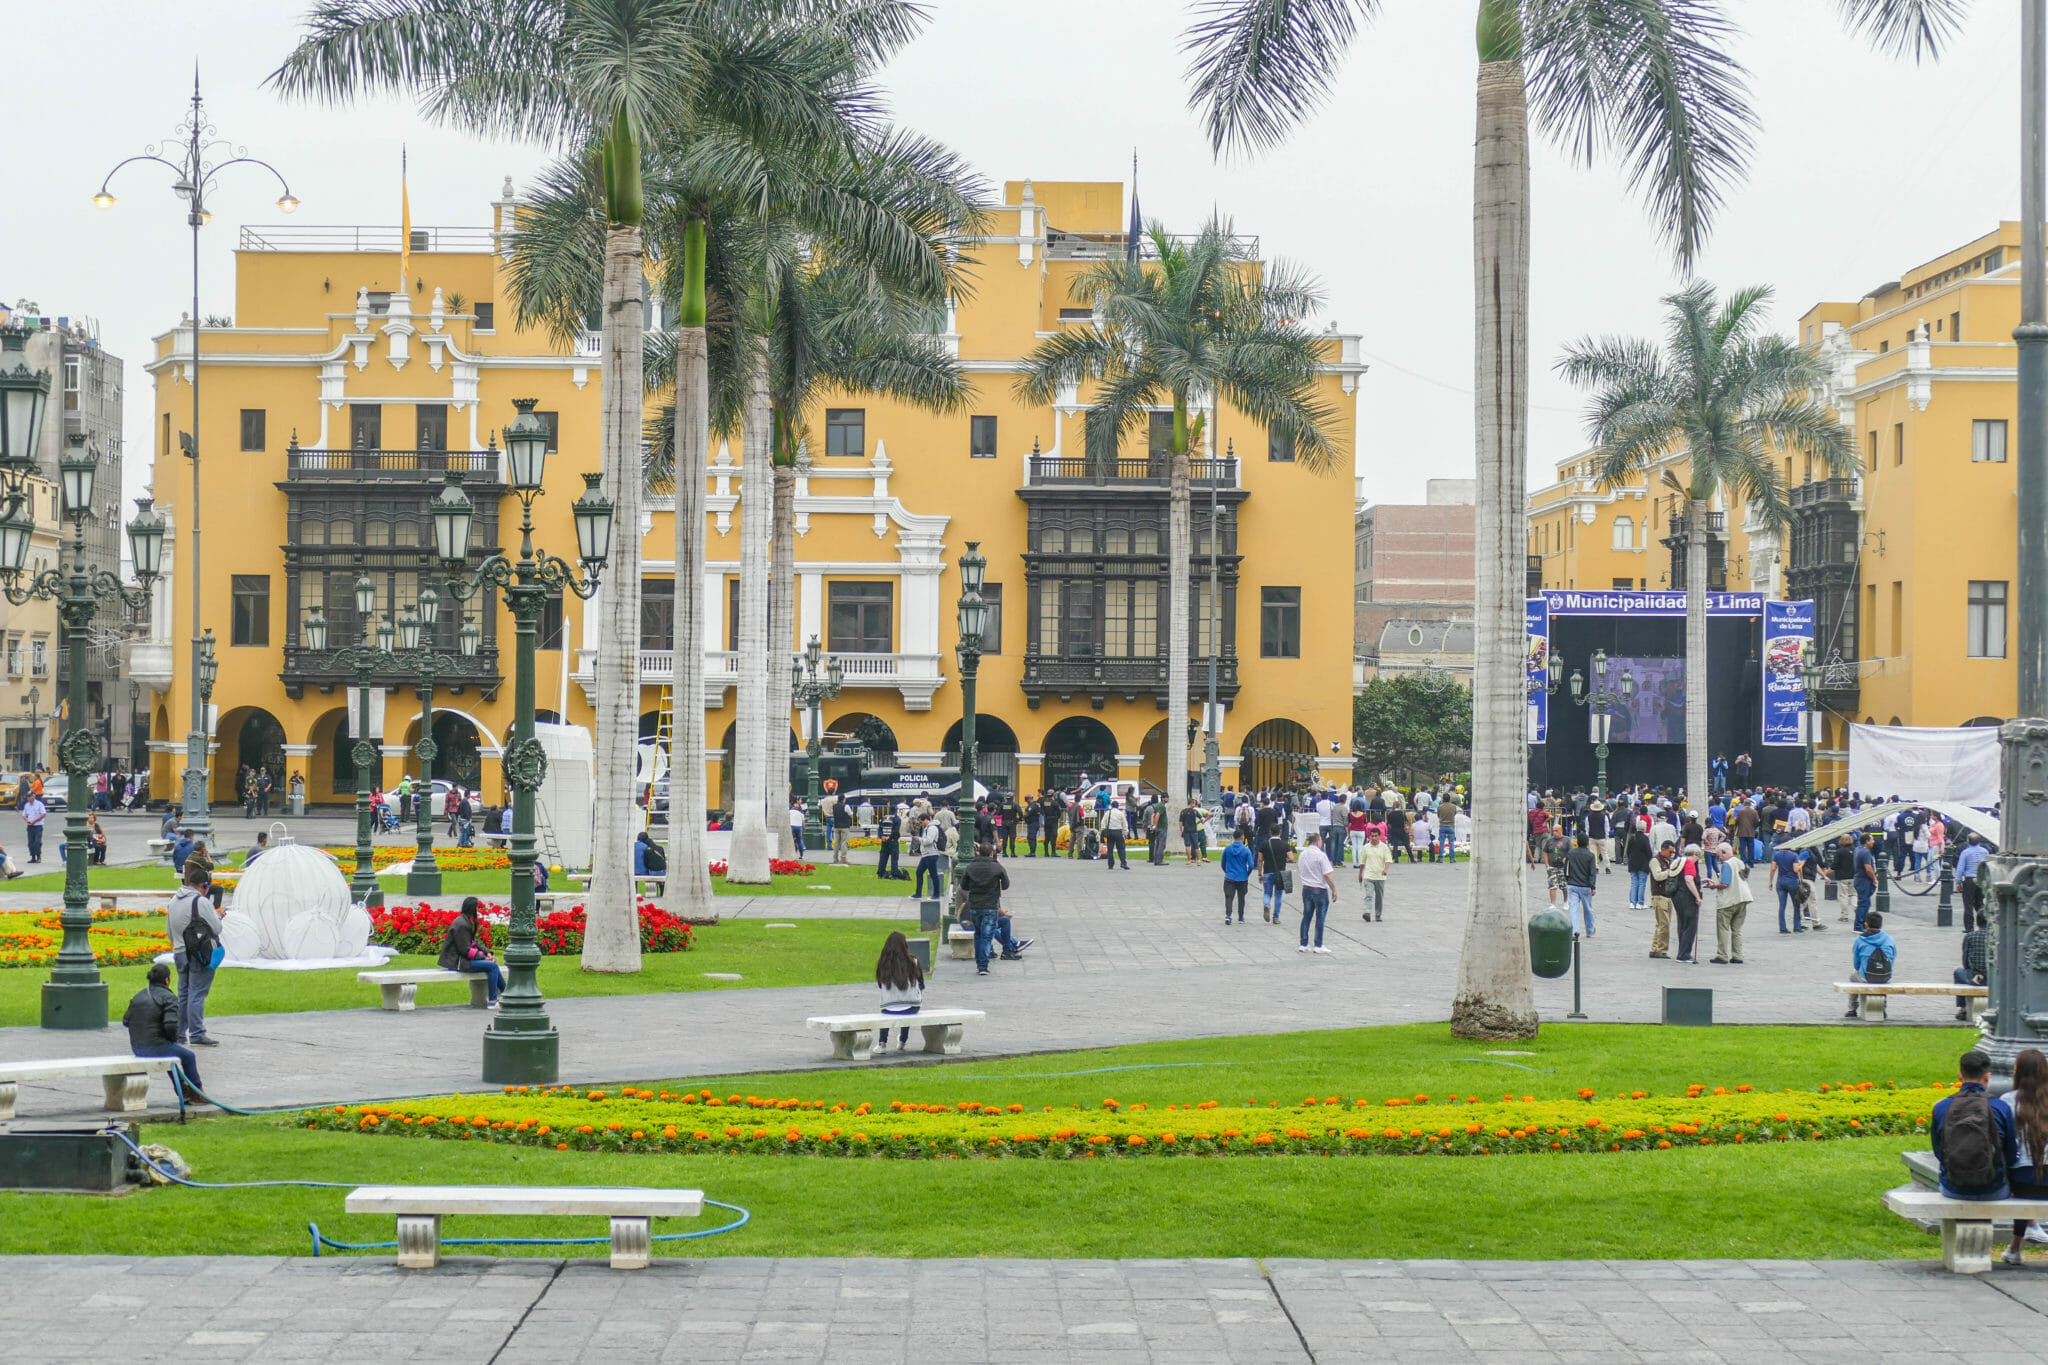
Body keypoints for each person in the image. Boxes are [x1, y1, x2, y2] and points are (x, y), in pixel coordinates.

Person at [1932, 1049, 2018, 1201]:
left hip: (1953, 1188)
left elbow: (1939, 1151)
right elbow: (2010, 1154)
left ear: (1960, 1076)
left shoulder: (1942, 1107)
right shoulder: (2000, 1107)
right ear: (1987, 1077)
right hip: (1994, 1189)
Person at [124, 963, 205, 1104]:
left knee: (171, 1056)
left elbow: (126, 1021)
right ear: (167, 980)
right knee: (188, 1056)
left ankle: (184, 1090)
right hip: (155, 1046)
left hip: (137, 1047)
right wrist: (172, 1041)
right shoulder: (169, 997)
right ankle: (196, 1092)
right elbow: (171, 1026)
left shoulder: (138, 996)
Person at [1999, 1048, 2048, 1263]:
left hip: (2021, 1181)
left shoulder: (2008, 1101)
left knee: (2022, 1180)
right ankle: (2028, 1231)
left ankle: (2016, 1248)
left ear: (2017, 1071)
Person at [166, 863, 221, 1048]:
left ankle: (179, 1034)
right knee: (197, 993)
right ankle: (197, 1033)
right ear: (203, 886)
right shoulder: (201, 901)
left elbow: (169, 931)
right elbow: (217, 927)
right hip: (198, 954)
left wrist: (178, 947)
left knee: (183, 993)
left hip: (180, 952)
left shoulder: (173, 900)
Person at [954, 840, 1011, 977]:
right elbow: (1006, 885)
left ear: (979, 852)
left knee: (978, 934)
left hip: (975, 905)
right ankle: (983, 965)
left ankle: (980, 964)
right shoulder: (997, 868)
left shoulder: (970, 867)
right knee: (987, 936)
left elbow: (964, 886)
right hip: (990, 905)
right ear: (992, 853)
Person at [437, 896, 503, 1007]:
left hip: (462, 959)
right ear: (472, 909)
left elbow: (474, 943)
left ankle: (506, 994)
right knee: (493, 967)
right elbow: (465, 950)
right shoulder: (462, 924)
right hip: (458, 962)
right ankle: (493, 1000)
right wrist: (483, 957)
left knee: (492, 965)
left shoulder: (464, 921)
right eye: (477, 908)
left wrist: (488, 953)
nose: (478, 910)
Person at [874, 930, 925, 1051]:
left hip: (888, 1007)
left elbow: (880, 986)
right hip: (912, 1006)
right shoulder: (914, 961)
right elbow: (921, 984)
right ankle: (902, 1040)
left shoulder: (883, 964)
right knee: (908, 1003)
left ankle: (882, 1043)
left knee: (886, 1011)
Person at [1846, 911, 1897, 1019]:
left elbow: (1856, 963)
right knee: (1882, 977)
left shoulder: (1860, 940)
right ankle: (1882, 1008)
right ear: (1881, 925)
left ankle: (1852, 1009)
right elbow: (1893, 958)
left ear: (1866, 924)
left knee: (1853, 976)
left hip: (1866, 977)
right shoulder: (1889, 939)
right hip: (1885, 975)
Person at [1711, 845, 1751, 964]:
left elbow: (1725, 883)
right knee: (1737, 929)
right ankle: (1737, 955)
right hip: (1742, 898)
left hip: (1728, 901)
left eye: (1719, 856)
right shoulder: (1740, 862)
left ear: (1724, 852)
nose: (1719, 859)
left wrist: (1713, 885)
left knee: (1723, 928)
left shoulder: (1727, 864)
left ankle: (1722, 955)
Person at [1296, 831, 1335, 954]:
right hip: (1319, 889)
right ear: (1318, 842)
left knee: (1306, 916)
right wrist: (1334, 888)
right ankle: (1318, 944)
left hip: (1306, 888)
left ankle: (1303, 943)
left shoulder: (1302, 854)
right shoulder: (1321, 855)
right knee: (1320, 917)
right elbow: (1327, 875)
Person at [1647, 841, 1680, 960]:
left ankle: (1655, 948)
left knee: (1661, 924)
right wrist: (1671, 872)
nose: (1672, 854)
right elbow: (1657, 876)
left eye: (1674, 852)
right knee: (1664, 924)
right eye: (1670, 852)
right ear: (1663, 849)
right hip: (1659, 896)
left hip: (1668, 896)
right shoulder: (1655, 861)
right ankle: (1661, 949)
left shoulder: (1669, 861)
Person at [1956, 909, 1989, 1022]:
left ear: (1977, 922)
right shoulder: (1998, 937)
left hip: (1975, 977)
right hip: (1993, 978)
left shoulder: (1970, 936)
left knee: (1958, 973)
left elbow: (1965, 961)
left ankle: (1963, 1008)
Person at [1564, 833, 1597, 939]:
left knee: (1573, 908)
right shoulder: (1591, 855)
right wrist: (1592, 887)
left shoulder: (1571, 853)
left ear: (1577, 842)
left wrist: (1568, 880)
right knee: (1588, 909)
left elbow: (1566, 869)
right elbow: (1592, 873)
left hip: (1572, 884)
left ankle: (1574, 931)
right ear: (1587, 843)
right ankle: (1590, 930)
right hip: (1585, 885)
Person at [1357, 824, 1391, 922]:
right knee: (1368, 895)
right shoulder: (1366, 847)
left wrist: (1385, 869)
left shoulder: (1384, 847)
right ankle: (1367, 912)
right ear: (1369, 836)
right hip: (1369, 875)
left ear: (1379, 836)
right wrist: (1360, 874)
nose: (1374, 838)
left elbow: (1388, 860)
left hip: (1380, 876)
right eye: (1372, 836)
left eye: (1376, 836)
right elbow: (1362, 862)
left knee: (1379, 897)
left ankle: (1378, 914)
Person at [1220, 828, 1254, 924]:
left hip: (1230, 876)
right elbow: (1251, 865)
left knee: (1229, 897)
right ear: (1243, 838)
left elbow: (1223, 863)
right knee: (1241, 897)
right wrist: (1247, 874)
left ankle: (1228, 915)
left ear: (1233, 837)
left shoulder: (1227, 849)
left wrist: (1227, 871)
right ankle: (1241, 917)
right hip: (1242, 877)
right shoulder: (1246, 850)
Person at [1958, 834, 1991, 922]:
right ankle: (1984, 922)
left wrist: (1958, 881)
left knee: (1968, 904)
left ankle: (1969, 927)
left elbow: (1960, 868)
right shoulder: (1985, 851)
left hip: (1969, 879)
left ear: (1968, 841)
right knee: (1980, 902)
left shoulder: (1965, 852)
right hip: (1981, 879)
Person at [912, 817, 945, 900]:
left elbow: (929, 841)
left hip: (931, 854)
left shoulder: (932, 828)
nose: (921, 824)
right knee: (919, 872)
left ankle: (936, 894)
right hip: (926, 854)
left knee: (933, 874)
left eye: (921, 822)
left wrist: (919, 839)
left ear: (926, 819)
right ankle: (918, 893)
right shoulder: (928, 828)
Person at [1853, 833, 1878, 932]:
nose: (1873, 841)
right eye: (1872, 840)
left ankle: (1862, 924)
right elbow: (1868, 868)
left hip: (1858, 878)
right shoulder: (1866, 852)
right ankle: (1859, 926)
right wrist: (1874, 878)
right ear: (1867, 841)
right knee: (1863, 903)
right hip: (1864, 880)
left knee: (1865, 903)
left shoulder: (1858, 849)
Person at [1101, 799, 1130, 871]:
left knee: (1110, 849)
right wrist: (1125, 833)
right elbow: (1124, 824)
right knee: (1121, 848)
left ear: (1111, 806)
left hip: (1110, 832)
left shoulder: (1107, 813)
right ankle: (1123, 863)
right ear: (1118, 806)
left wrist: (1103, 831)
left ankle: (1110, 864)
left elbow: (1103, 823)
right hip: (1118, 832)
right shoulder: (1121, 813)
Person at [876, 805, 903, 880]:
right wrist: (890, 837)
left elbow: (880, 829)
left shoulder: (884, 818)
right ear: (896, 810)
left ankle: (880, 873)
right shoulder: (897, 819)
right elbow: (896, 831)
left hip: (884, 841)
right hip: (892, 840)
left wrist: (882, 836)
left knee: (883, 858)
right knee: (894, 858)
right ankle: (894, 874)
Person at [22, 790, 45, 863]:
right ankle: (33, 857)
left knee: (37, 842)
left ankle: (38, 857)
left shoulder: (39, 804)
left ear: (34, 796)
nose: (28, 798)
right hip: (30, 826)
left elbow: (43, 814)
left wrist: (35, 820)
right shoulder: (27, 805)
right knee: (30, 842)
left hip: (38, 825)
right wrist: (27, 820)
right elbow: (24, 815)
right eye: (28, 797)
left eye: (30, 796)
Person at [1179, 799, 1202, 864]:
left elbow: (1180, 822)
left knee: (1187, 846)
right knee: (1196, 845)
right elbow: (1202, 819)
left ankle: (1189, 860)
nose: (1195, 805)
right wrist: (1198, 822)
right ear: (1191, 803)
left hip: (1186, 830)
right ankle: (1199, 860)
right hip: (1194, 830)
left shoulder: (1183, 811)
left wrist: (1181, 831)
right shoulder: (1195, 811)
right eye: (1194, 803)